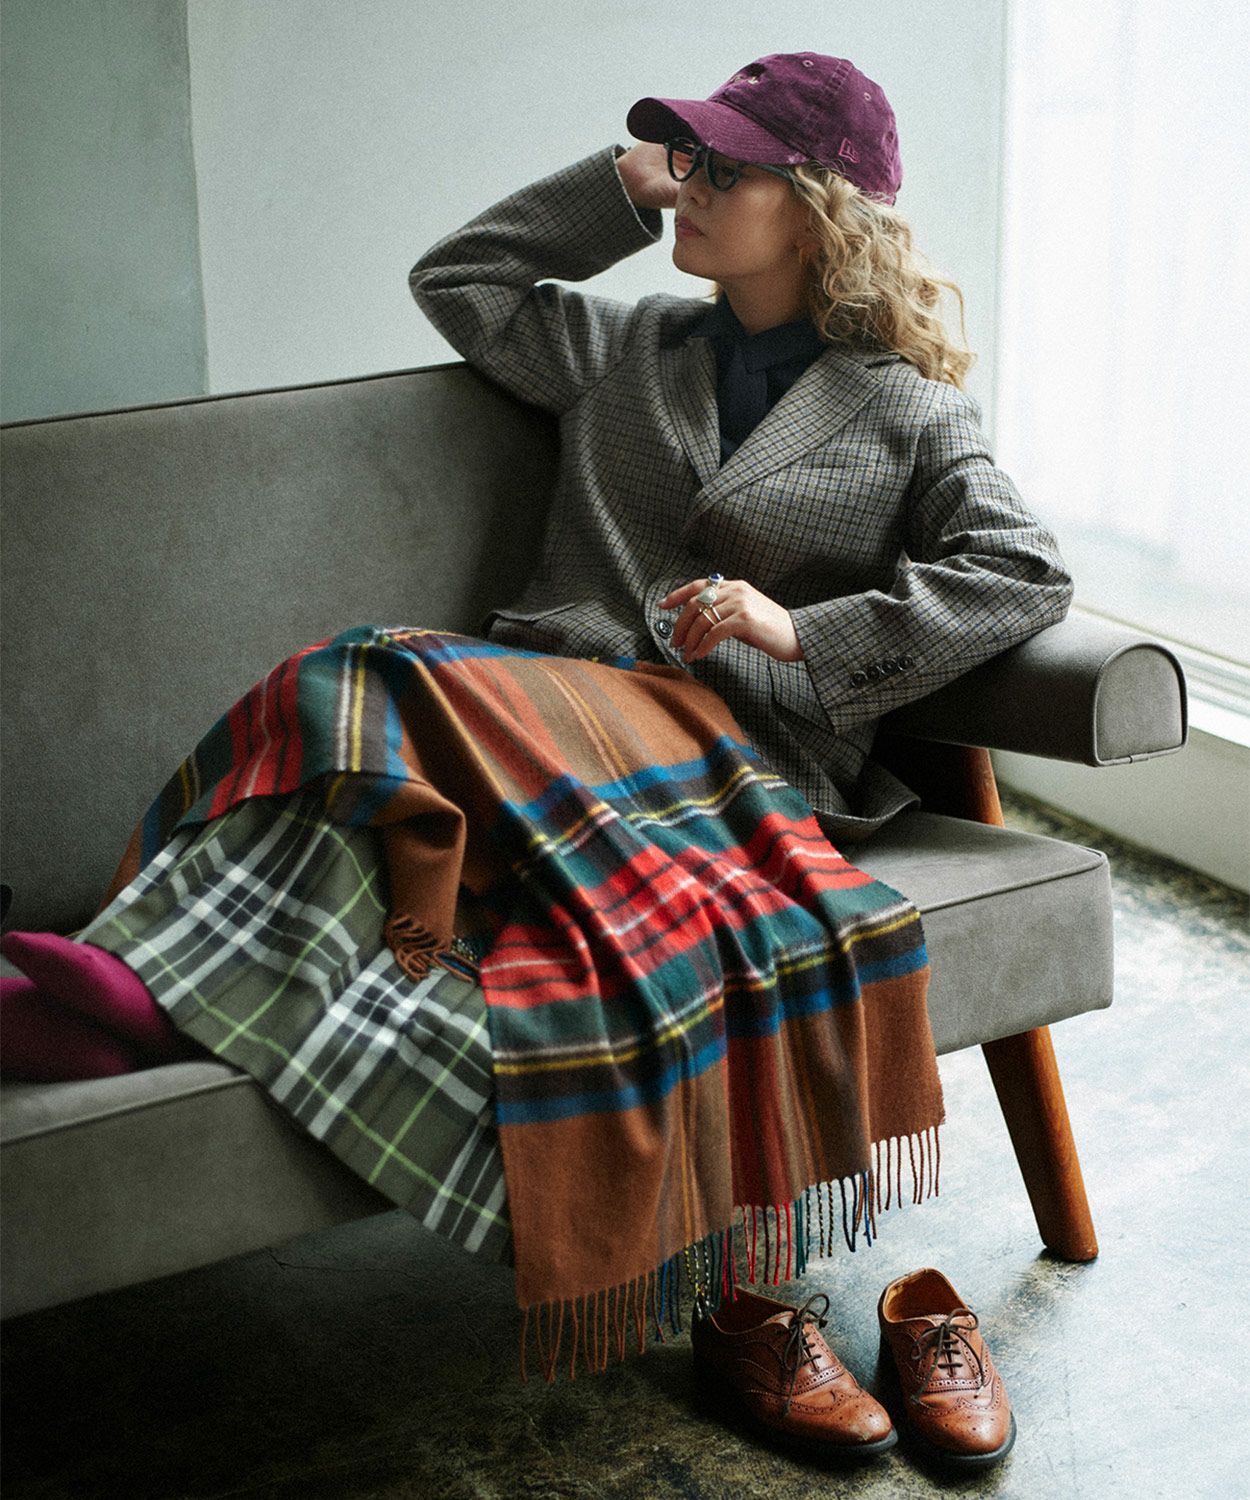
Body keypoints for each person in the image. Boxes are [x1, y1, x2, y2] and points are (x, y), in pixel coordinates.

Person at [2, 52, 1063, 1471]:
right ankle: (130, 992)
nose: (691, 184)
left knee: (372, 672)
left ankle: (129, 992)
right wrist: (616, 190)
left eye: (724, 169)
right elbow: (462, 284)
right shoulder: (624, 346)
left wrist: (799, 632)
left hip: (724, 753)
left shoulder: (906, 410)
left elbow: (1020, 574)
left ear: (818, 210)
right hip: (542, 714)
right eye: (684, 159)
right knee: (359, 715)